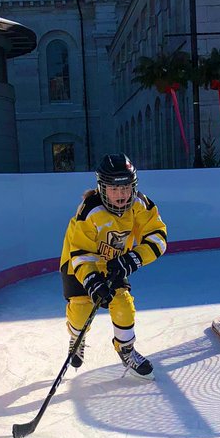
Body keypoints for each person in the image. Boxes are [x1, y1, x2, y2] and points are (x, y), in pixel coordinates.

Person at [58, 154, 168, 378]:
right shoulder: (90, 210)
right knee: (81, 311)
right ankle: (76, 336)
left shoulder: (140, 204)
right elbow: (80, 252)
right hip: (78, 262)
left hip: (113, 262)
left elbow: (158, 238)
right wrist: (92, 280)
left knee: (123, 305)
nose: (121, 195)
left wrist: (133, 258)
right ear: (102, 188)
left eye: (126, 188)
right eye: (114, 189)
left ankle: (125, 349)